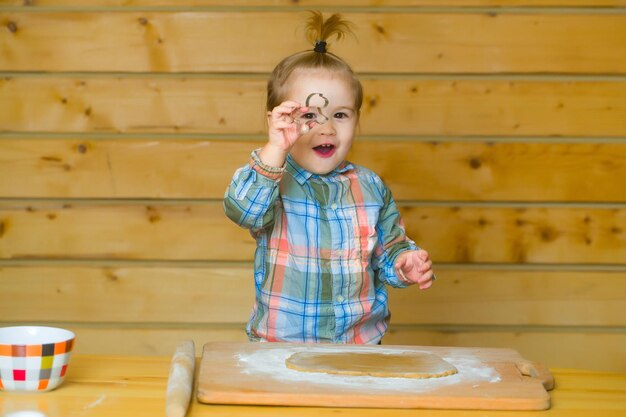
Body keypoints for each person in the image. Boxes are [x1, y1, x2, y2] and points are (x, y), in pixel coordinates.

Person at [224, 11, 434, 344]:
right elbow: (243, 210)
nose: (327, 128)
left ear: (356, 119)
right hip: (281, 350)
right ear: (277, 122)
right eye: (308, 116)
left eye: (340, 114)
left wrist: (405, 265)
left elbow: (389, 251)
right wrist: (275, 147)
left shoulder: (371, 187)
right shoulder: (269, 179)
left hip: (359, 349)